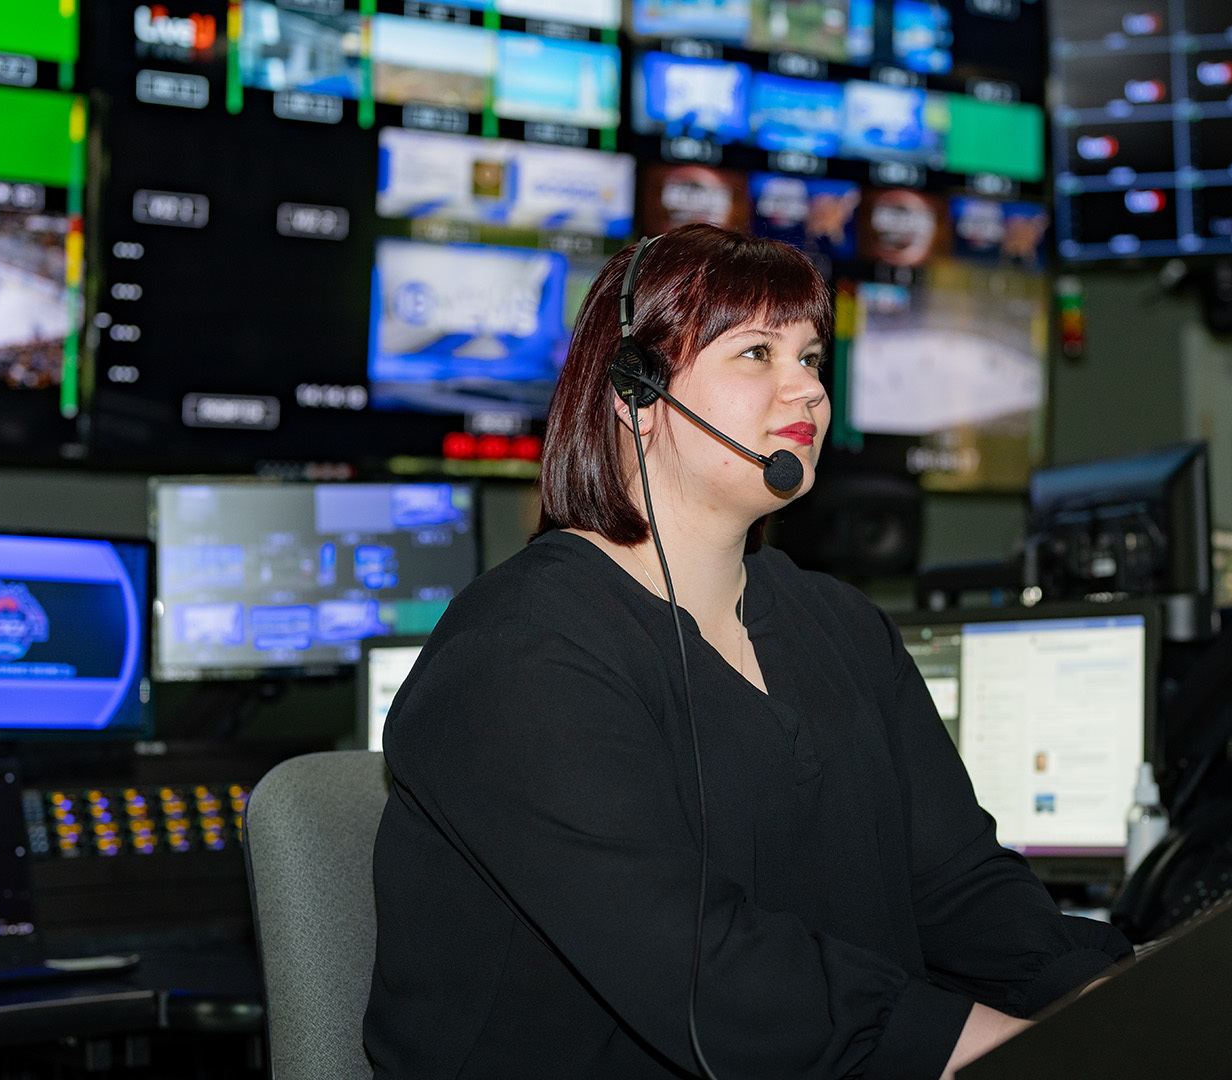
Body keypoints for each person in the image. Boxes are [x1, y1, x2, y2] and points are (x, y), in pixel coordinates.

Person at [367, 224, 1131, 1079]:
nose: (805, 390)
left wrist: (1111, 1003)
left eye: (811, 357)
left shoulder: (839, 625)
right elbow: (701, 967)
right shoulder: (517, 657)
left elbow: (956, 886)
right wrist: (976, 1046)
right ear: (637, 390)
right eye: (757, 354)